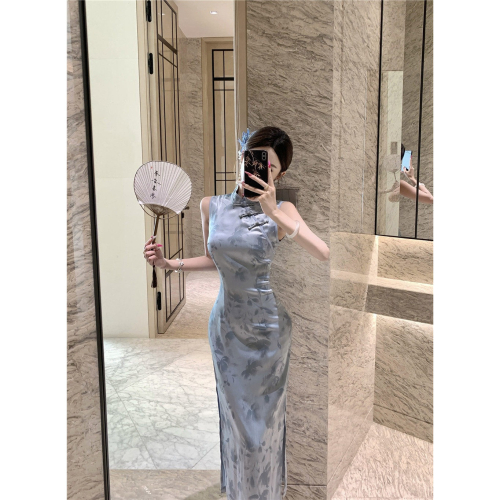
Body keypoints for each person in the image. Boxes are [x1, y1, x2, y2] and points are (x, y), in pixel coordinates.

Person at [143, 126, 329, 499]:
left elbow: (322, 252)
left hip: (268, 333)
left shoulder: (283, 211)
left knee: (263, 428)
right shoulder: (210, 206)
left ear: (280, 174)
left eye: (270, 167)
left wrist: (273, 212)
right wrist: (168, 264)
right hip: (226, 329)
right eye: (254, 159)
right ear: (241, 157)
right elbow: (214, 260)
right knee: (236, 424)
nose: (260, 169)